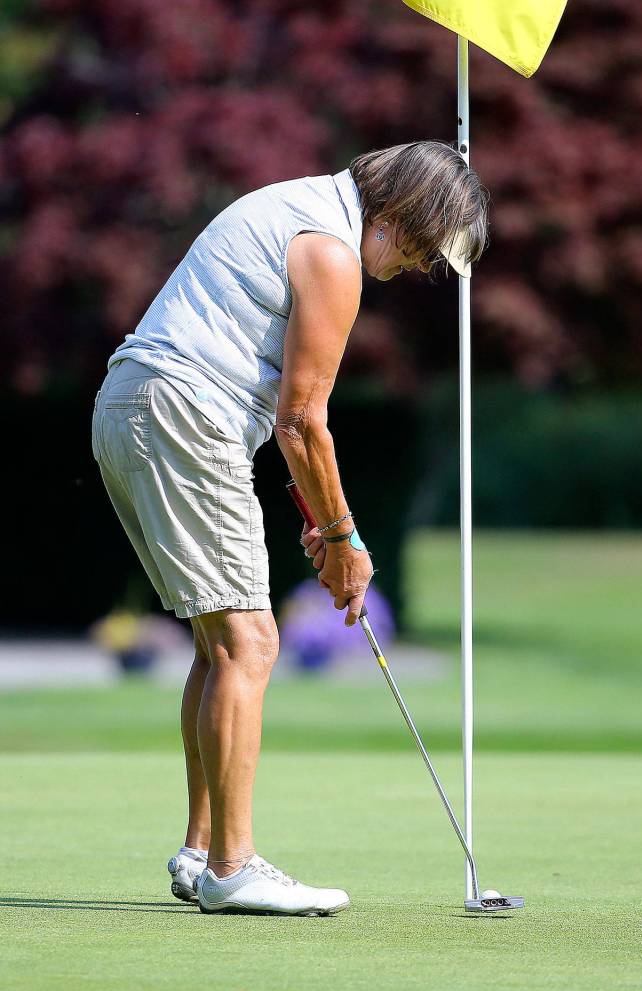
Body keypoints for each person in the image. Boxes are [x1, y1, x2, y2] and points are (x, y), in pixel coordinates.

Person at [91, 140, 488, 917]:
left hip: (133, 405)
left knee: (220, 643)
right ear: (399, 212)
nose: (414, 267)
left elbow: (278, 410)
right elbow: (302, 419)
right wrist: (344, 541)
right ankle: (232, 868)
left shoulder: (293, 204)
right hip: (181, 412)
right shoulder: (330, 251)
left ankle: (203, 853)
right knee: (250, 643)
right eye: (419, 248)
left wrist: (319, 517)